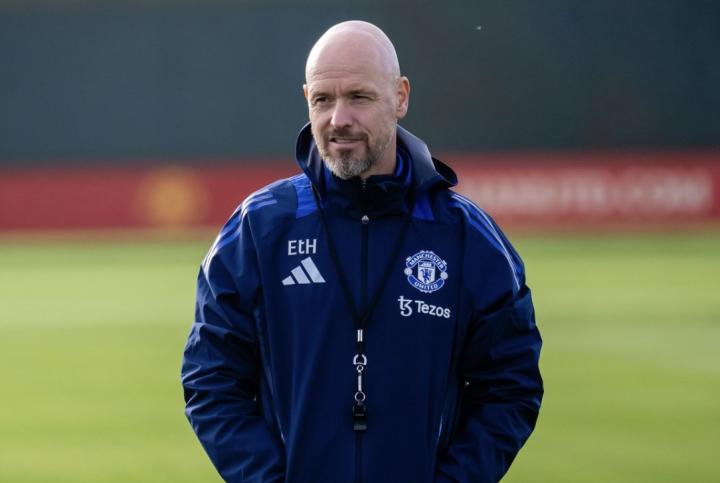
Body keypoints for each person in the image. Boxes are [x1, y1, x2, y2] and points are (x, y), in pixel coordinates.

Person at [181, 20, 543, 483]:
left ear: (400, 97)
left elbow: (510, 386)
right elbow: (210, 380)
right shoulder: (258, 229)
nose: (338, 119)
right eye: (322, 100)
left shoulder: (465, 236)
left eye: (359, 97)